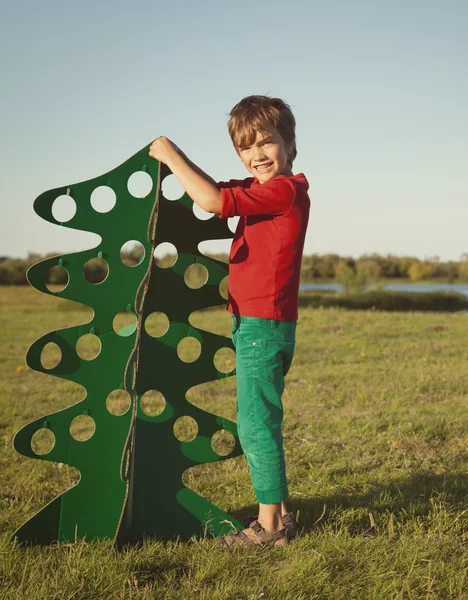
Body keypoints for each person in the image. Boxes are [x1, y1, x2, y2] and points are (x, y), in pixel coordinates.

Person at [149, 95, 310, 548]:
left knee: (256, 424)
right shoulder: (268, 189)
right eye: (245, 147)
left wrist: (168, 152)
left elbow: (212, 199)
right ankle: (277, 515)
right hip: (256, 321)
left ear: (290, 142)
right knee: (261, 419)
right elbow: (210, 189)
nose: (256, 154)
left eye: (266, 142)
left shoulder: (285, 190)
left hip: (263, 324)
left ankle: (271, 528)